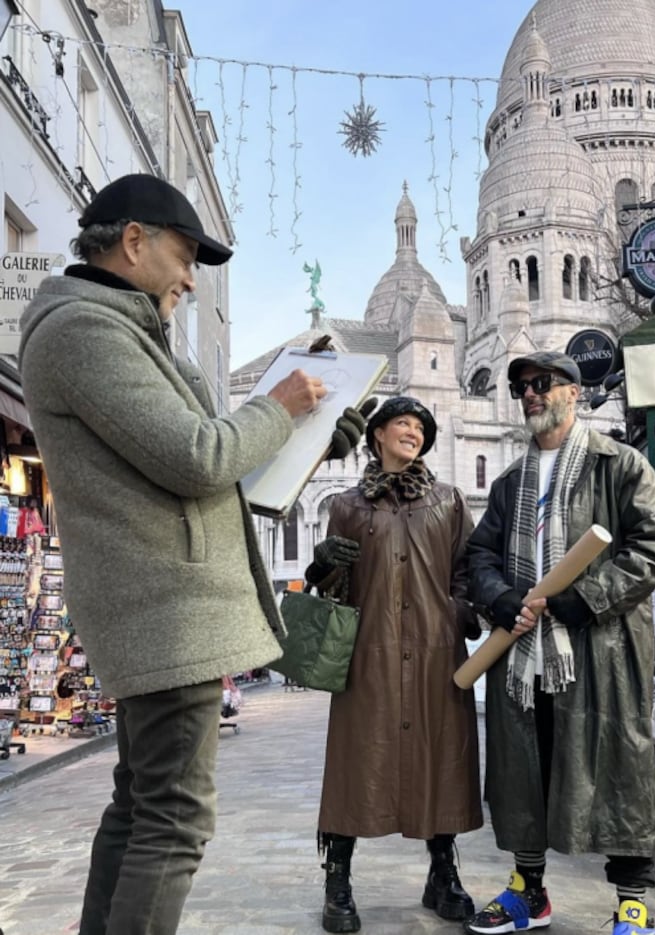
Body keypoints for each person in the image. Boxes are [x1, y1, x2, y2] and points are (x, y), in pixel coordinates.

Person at [17, 173, 368, 935]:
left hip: (161, 602)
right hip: (163, 607)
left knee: (142, 804)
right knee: (173, 819)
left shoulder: (117, 327)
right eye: (183, 257)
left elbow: (209, 473)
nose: (189, 277)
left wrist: (304, 438)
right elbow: (200, 458)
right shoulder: (86, 331)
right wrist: (274, 409)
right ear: (134, 241)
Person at [464, 352, 655, 935]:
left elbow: (653, 542)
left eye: (541, 383)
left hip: (601, 648)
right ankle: (528, 893)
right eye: (520, 387)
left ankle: (632, 905)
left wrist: (588, 598)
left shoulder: (621, 464)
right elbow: (480, 554)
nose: (529, 394)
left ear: (574, 393)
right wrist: (500, 598)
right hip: (527, 653)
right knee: (524, 770)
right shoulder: (509, 483)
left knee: (619, 769)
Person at [306, 396, 483, 933]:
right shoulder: (346, 506)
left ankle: (442, 873)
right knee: (356, 761)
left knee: (440, 759)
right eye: (402, 423)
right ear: (378, 434)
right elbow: (334, 588)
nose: (412, 432)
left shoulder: (449, 501)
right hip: (368, 655)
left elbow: (468, 567)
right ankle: (338, 877)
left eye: (420, 427)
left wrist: (458, 611)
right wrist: (321, 566)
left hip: (435, 652)